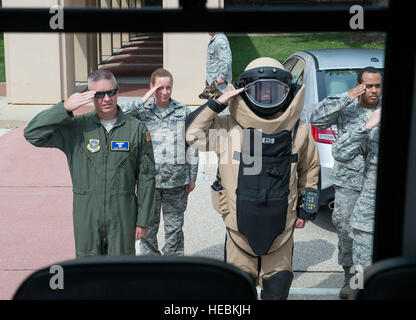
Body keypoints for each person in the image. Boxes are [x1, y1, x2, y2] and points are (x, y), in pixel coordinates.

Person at [186, 57, 320, 300]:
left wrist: (305, 210)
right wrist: (218, 102)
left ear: (287, 92)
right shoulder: (228, 128)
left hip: (282, 230)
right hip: (238, 229)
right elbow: (192, 135)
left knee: (277, 290)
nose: (267, 96)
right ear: (243, 91)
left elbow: (310, 169)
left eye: (274, 90)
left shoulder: (298, 130)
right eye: (259, 90)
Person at [24, 69, 156, 257]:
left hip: (122, 216)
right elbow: (32, 134)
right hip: (87, 215)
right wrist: (64, 108)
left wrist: (143, 220)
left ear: (117, 91)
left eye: (111, 92)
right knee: (87, 272)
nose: (106, 98)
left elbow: (147, 178)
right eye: (99, 94)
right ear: (90, 96)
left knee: (121, 274)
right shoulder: (76, 128)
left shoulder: (136, 130)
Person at [309, 66, 382, 298]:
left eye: (377, 86)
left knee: (369, 235)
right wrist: (347, 96)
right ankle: (350, 276)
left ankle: (373, 276)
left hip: (374, 184)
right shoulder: (347, 107)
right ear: (359, 85)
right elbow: (317, 119)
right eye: (368, 85)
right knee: (346, 231)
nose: (373, 90)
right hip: (349, 182)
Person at [121, 68, 199, 256]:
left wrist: (192, 175)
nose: (164, 92)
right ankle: (151, 269)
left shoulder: (183, 110)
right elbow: (120, 116)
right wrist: (144, 99)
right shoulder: (141, 112)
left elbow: (193, 144)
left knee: (174, 229)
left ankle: (172, 268)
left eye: (168, 88)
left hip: (177, 181)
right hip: (149, 183)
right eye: (159, 88)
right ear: (151, 87)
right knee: (147, 228)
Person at [332, 108, 381, 272]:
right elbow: (339, 151)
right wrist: (366, 126)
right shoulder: (374, 131)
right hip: (368, 222)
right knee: (360, 280)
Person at [198, 32, 232, 100]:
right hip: (214, 83)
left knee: (222, 106)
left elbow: (226, 61)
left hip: (220, 84)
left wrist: (222, 77)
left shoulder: (220, 41)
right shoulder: (215, 39)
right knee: (215, 107)